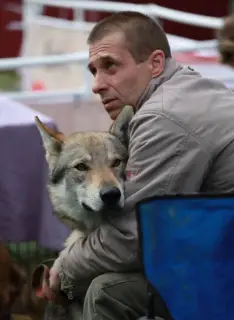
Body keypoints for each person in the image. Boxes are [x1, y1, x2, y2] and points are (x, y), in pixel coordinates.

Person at [42, 11, 234, 320]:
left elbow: (133, 239)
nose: (97, 84)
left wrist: (63, 270)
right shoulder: (191, 91)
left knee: (107, 291)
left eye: (110, 66)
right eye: (94, 71)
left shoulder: (163, 117)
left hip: (224, 271)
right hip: (220, 254)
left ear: (155, 63)